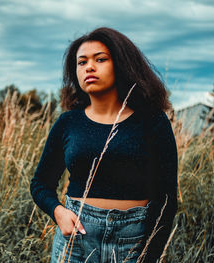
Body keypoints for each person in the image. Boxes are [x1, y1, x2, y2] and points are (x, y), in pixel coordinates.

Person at [30, 27, 178, 263]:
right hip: (76, 240)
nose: (89, 67)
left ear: (121, 64)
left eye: (100, 59)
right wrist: (58, 212)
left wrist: (150, 254)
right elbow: (40, 184)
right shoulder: (68, 122)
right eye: (81, 62)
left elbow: (166, 199)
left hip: (133, 241)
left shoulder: (152, 121)